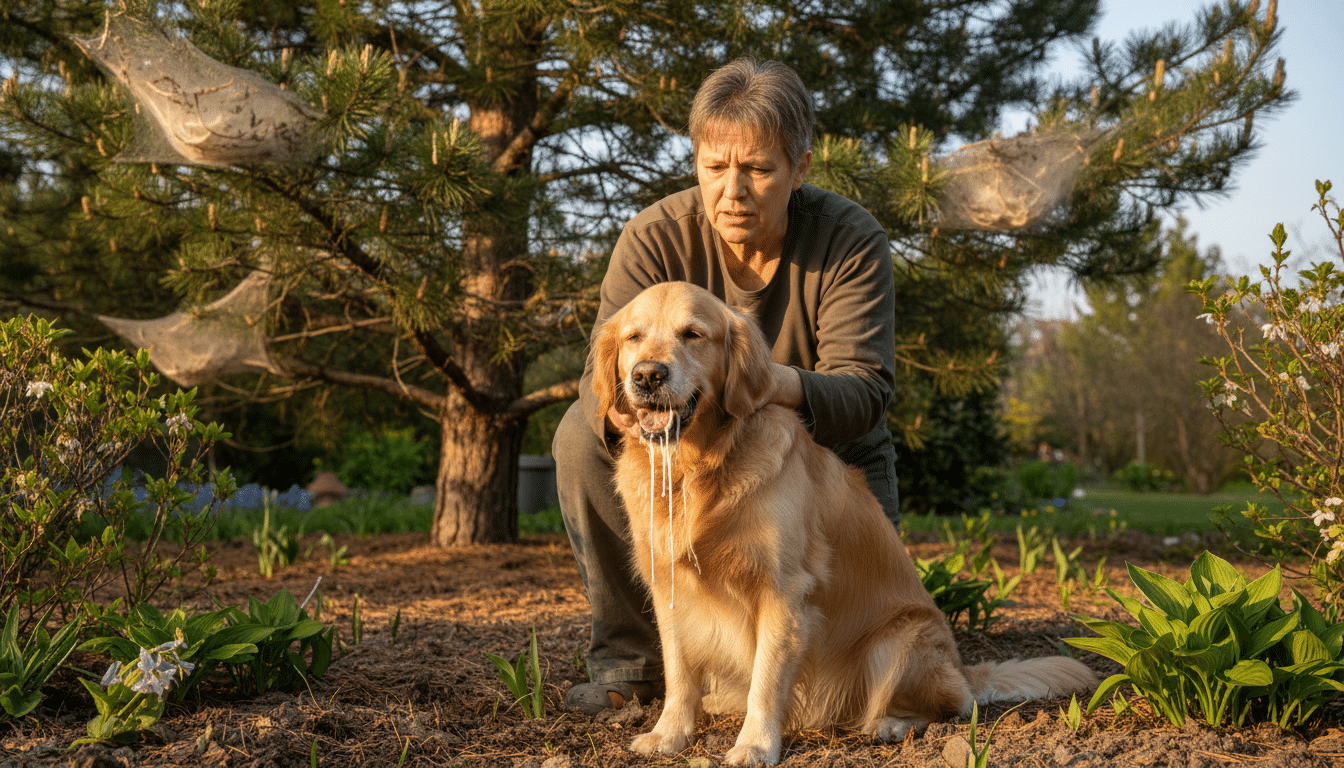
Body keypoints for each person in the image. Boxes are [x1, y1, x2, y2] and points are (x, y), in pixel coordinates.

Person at [553, 57, 899, 715]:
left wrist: (756, 381)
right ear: (696, 163)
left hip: (830, 466)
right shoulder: (654, 237)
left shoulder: (850, 241)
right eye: (715, 168)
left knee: (841, 678)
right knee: (577, 436)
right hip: (692, 454)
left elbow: (862, 396)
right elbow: (599, 376)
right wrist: (628, 410)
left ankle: (830, 668)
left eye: (758, 169)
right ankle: (634, 663)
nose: (732, 190)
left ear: (800, 168)